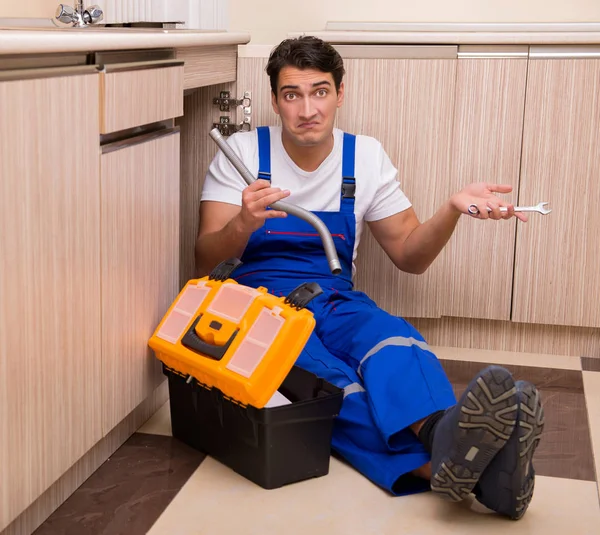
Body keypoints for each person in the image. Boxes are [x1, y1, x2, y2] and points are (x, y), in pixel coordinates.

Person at [195, 36, 544, 520]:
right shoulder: (241, 152)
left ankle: (449, 437)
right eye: (292, 95)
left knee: (394, 340)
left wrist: (451, 210)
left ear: (341, 93)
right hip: (254, 304)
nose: (308, 109)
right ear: (275, 100)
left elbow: (409, 255)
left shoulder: (365, 157)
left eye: (320, 91)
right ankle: (472, 470)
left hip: (332, 296)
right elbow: (205, 260)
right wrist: (242, 224)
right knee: (323, 379)